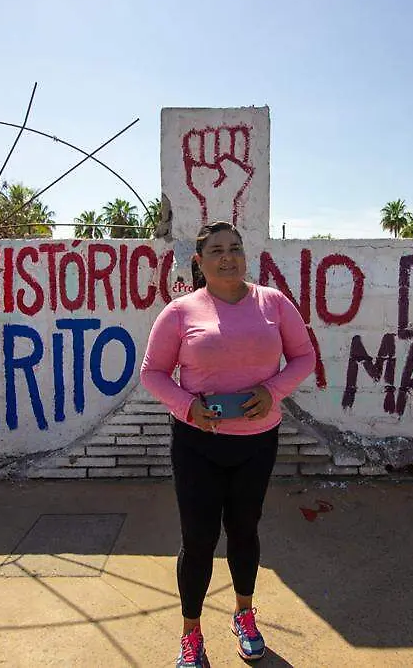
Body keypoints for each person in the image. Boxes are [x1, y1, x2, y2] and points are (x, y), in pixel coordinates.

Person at [140, 221, 316, 667]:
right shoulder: (180, 312)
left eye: (235, 248)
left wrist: (272, 392)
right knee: (198, 540)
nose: (228, 257)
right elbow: (153, 373)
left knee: (244, 530)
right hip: (198, 445)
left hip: (257, 444)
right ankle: (191, 635)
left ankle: (243, 614)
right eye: (216, 250)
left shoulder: (273, 303)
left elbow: (304, 357)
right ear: (199, 262)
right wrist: (186, 406)